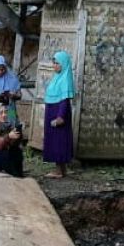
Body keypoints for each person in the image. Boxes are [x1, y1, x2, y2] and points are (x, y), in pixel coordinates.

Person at [42, 50, 76, 179]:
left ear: (64, 64)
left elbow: (64, 101)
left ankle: (58, 171)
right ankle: (62, 169)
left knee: (59, 141)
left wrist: (60, 117)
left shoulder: (64, 80)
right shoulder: (57, 78)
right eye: (54, 63)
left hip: (58, 114)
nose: (54, 65)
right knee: (55, 140)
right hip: (52, 112)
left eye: (57, 63)